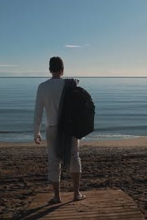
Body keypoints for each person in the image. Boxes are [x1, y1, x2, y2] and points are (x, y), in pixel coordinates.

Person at [33, 56, 86, 204]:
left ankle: (57, 197)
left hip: (52, 128)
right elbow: (79, 108)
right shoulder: (70, 85)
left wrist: (36, 132)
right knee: (75, 157)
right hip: (70, 128)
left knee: (53, 161)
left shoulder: (42, 87)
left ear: (50, 69)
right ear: (63, 69)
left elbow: (38, 112)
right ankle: (76, 193)